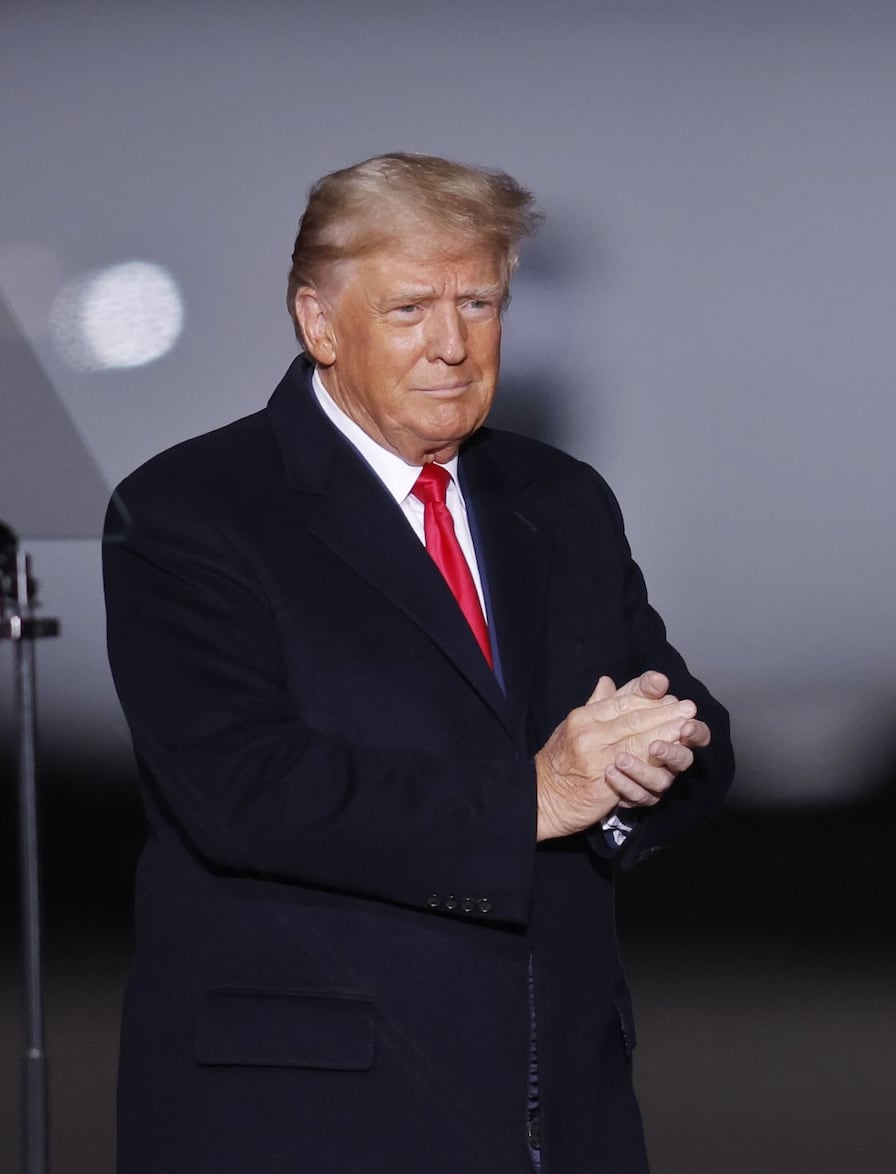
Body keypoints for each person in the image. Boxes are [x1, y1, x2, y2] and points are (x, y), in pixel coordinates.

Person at [102, 153, 734, 1174]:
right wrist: (531, 797)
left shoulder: (559, 499)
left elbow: (679, 721)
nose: (452, 344)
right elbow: (241, 787)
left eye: (479, 302)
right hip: (310, 1116)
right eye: (409, 309)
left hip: (557, 1108)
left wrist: (646, 765)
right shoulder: (191, 511)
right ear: (318, 322)